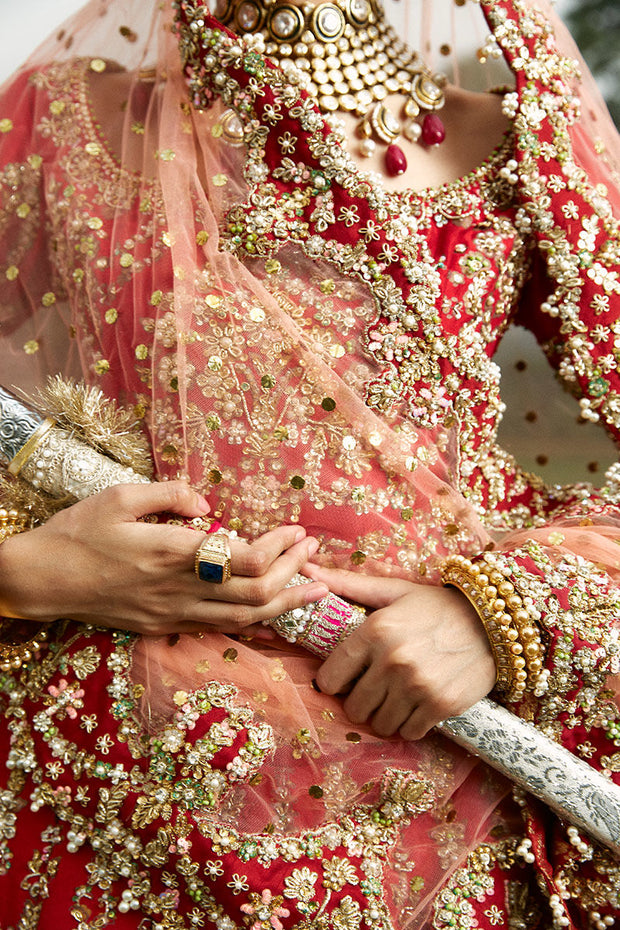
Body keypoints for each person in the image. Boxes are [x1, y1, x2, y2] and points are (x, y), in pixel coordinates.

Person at [0, 0, 619, 926]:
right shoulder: (55, 120)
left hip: (437, 724)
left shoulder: (517, 142)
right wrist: (26, 573)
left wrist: (500, 616)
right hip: (111, 751)